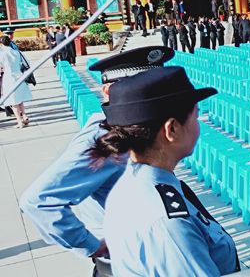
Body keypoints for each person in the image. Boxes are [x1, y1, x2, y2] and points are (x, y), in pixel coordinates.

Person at [20, 47, 175, 277]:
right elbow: (38, 201)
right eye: (138, 89)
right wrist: (91, 245)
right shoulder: (104, 139)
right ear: (107, 91)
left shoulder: (139, 129)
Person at [90, 67, 239, 276]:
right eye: (195, 117)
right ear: (172, 129)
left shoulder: (133, 184)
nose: (198, 126)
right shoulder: (168, 224)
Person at [0, 33, 32, 127]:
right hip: (19, 75)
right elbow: (25, 62)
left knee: (12, 101)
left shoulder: (2, 53)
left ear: (1, 43)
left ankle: (19, 122)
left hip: (9, 77)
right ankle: (24, 116)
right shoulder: (16, 52)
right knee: (19, 98)